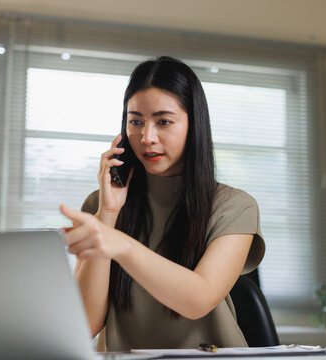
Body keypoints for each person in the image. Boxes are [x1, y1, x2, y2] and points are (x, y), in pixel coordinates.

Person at [60, 56, 265, 351]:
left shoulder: (235, 206)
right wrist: (107, 214)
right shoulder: (100, 205)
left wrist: (119, 243)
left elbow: (197, 300)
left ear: (194, 125)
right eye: (136, 121)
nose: (147, 137)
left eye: (164, 121)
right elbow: (85, 324)